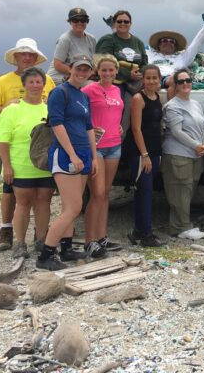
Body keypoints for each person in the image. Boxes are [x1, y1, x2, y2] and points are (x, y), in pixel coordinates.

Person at [0, 37, 56, 251]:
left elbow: (55, 108)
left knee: (43, 200)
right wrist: (7, 107)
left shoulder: (48, 81)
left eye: (31, 54)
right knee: (11, 194)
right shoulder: (3, 82)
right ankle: (8, 233)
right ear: (15, 57)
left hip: (43, 159)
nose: (27, 57)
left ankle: (40, 237)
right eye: (23, 54)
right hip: (17, 153)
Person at [36, 55, 98, 271]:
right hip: (65, 156)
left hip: (83, 155)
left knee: (69, 206)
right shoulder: (59, 93)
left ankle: (67, 248)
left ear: (91, 72)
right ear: (70, 69)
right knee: (73, 208)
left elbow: (89, 127)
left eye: (86, 70)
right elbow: (57, 124)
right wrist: (72, 154)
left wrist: (93, 155)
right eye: (78, 68)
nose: (82, 73)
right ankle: (46, 255)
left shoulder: (83, 96)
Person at [81, 55, 124, 258]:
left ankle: (102, 236)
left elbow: (114, 113)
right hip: (95, 146)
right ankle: (89, 241)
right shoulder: (89, 89)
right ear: (97, 71)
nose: (107, 74)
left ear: (116, 71)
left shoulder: (116, 90)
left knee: (106, 193)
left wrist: (118, 126)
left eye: (111, 70)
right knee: (96, 194)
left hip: (114, 145)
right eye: (103, 70)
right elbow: (79, 112)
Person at [162, 70, 204, 239]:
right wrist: (197, 145)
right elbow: (176, 132)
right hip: (178, 154)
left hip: (196, 154)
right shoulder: (172, 106)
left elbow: (203, 127)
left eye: (188, 80)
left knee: (187, 191)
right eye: (181, 82)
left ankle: (180, 226)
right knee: (179, 191)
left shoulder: (195, 104)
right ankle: (183, 227)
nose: (185, 84)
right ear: (175, 85)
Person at [125, 65, 165, 247]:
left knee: (145, 192)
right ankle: (146, 234)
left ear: (159, 79)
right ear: (143, 79)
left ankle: (139, 231)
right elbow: (135, 128)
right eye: (148, 78)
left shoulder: (157, 97)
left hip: (154, 151)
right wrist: (144, 154)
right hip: (140, 152)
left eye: (154, 78)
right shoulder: (138, 98)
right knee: (145, 191)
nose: (151, 81)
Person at [146, 13, 204, 95]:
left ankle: (171, 107)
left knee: (173, 79)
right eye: (164, 40)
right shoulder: (149, 53)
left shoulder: (182, 57)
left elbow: (196, 44)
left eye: (171, 41)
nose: (168, 43)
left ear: (175, 46)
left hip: (169, 79)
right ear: (159, 44)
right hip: (151, 78)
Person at [95, 10, 148, 96]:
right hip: (113, 80)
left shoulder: (139, 42)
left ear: (130, 24)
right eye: (119, 21)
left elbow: (144, 63)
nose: (123, 23)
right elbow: (103, 64)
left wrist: (139, 74)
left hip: (135, 80)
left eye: (126, 21)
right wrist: (128, 74)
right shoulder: (107, 40)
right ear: (114, 23)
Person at [47, 8, 97, 85]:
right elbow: (57, 65)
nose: (79, 22)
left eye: (83, 20)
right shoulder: (65, 39)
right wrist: (80, 73)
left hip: (80, 75)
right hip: (60, 77)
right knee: (91, 86)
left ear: (87, 21)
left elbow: (94, 62)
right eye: (75, 20)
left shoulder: (92, 39)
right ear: (70, 22)